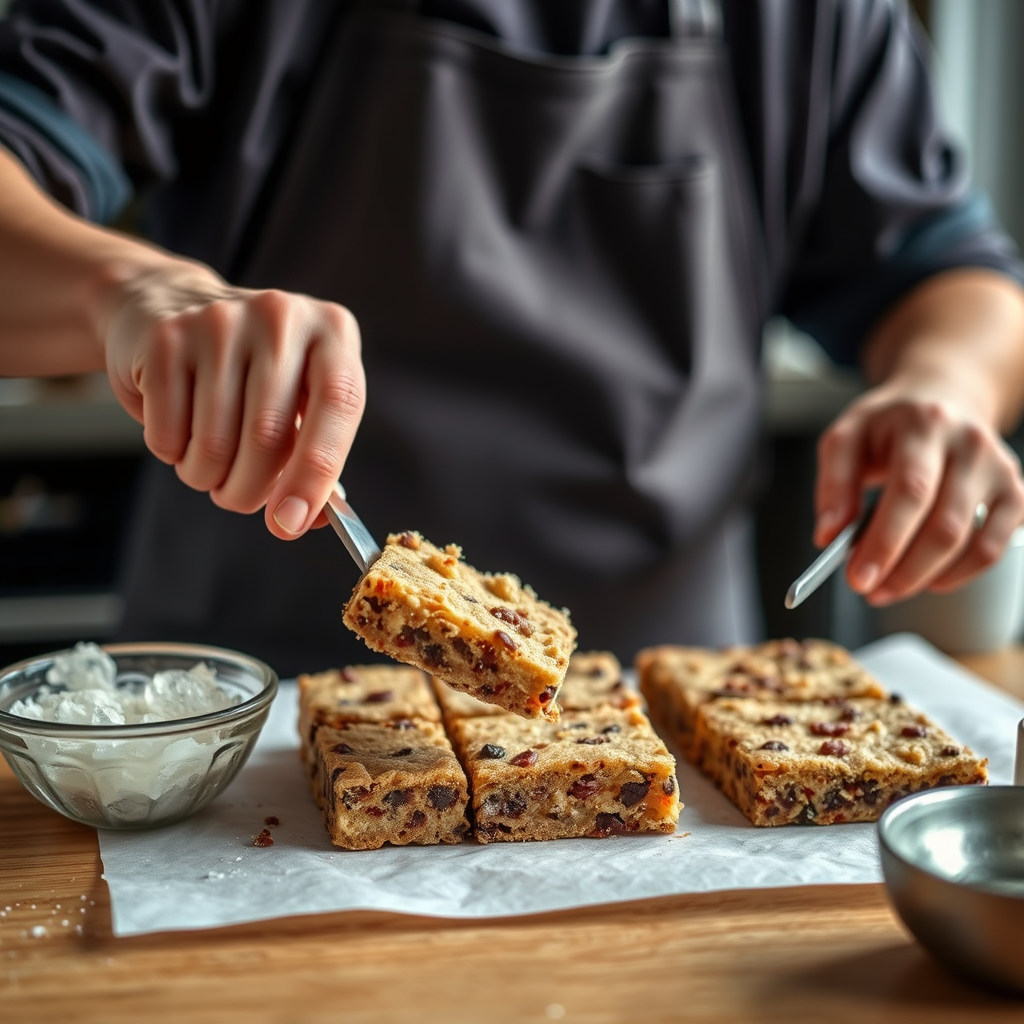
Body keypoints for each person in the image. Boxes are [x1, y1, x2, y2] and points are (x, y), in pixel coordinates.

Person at [2, 0, 1024, 678]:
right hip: (241, 700)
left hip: (666, 699)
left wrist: (943, 386)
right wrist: (134, 290)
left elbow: (953, 274)